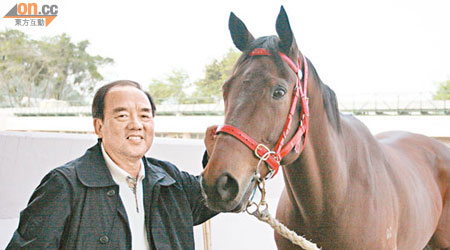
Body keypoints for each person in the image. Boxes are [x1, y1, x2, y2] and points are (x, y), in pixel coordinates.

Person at [6, 80, 218, 250]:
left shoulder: (170, 179)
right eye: (122, 115)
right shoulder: (65, 185)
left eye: (145, 115)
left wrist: (218, 155)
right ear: (99, 126)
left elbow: (219, 194)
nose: (136, 125)